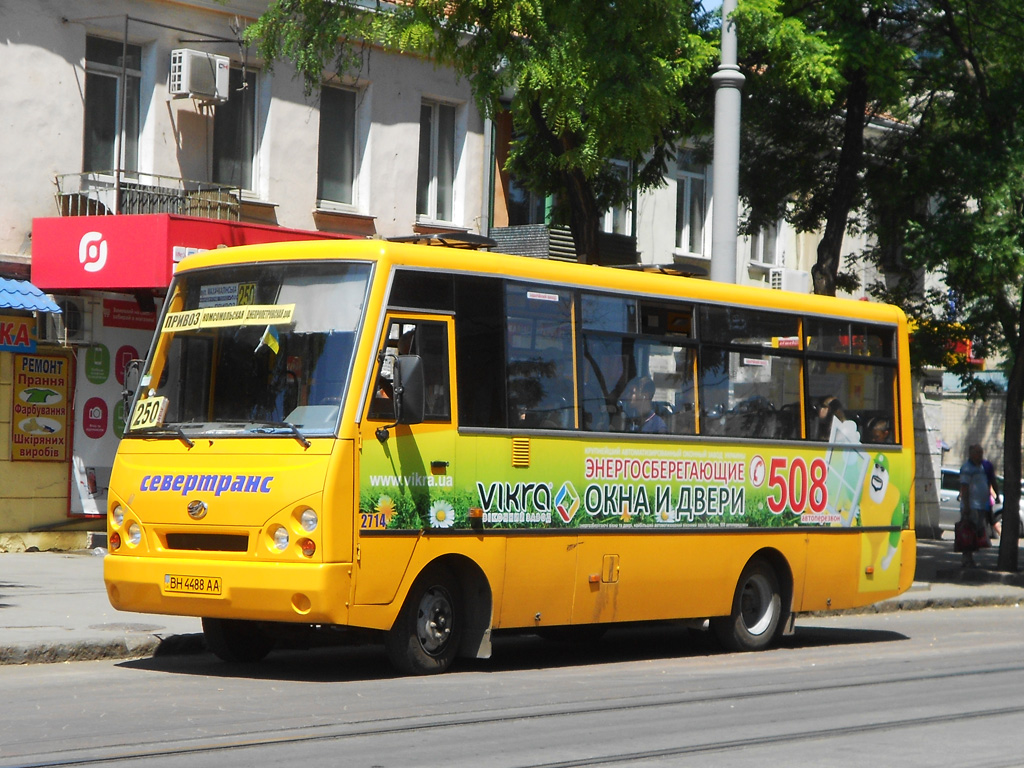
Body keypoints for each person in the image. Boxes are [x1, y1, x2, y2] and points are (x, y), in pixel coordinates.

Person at [959, 444, 995, 566]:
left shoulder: (981, 467)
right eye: (978, 453)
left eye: (981, 453)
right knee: (968, 532)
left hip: (980, 505)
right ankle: (966, 558)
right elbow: (964, 488)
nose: (980, 456)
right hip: (972, 506)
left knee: (976, 532)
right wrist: (967, 506)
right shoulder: (967, 468)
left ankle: (971, 558)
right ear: (972, 454)